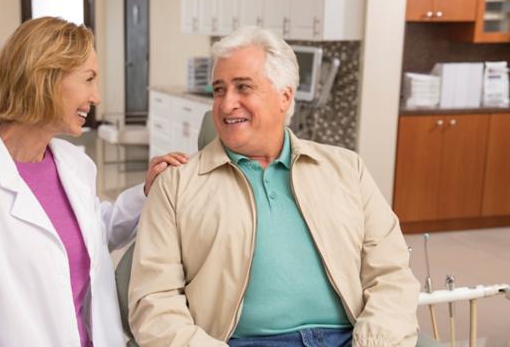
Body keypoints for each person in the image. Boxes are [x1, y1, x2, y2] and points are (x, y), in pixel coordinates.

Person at [128, 26, 419, 347]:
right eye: (219, 90)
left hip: (353, 338)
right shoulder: (176, 184)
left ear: (285, 95)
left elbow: (392, 274)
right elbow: (153, 301)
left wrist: (374, 341)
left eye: (243, 88)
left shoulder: (347, 169)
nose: (226, 105)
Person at [0, 17, 187, 347]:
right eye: (88, 79)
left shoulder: (73, 163)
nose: (97, 96)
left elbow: (90, 234)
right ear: (45, 78)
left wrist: (147, 193)